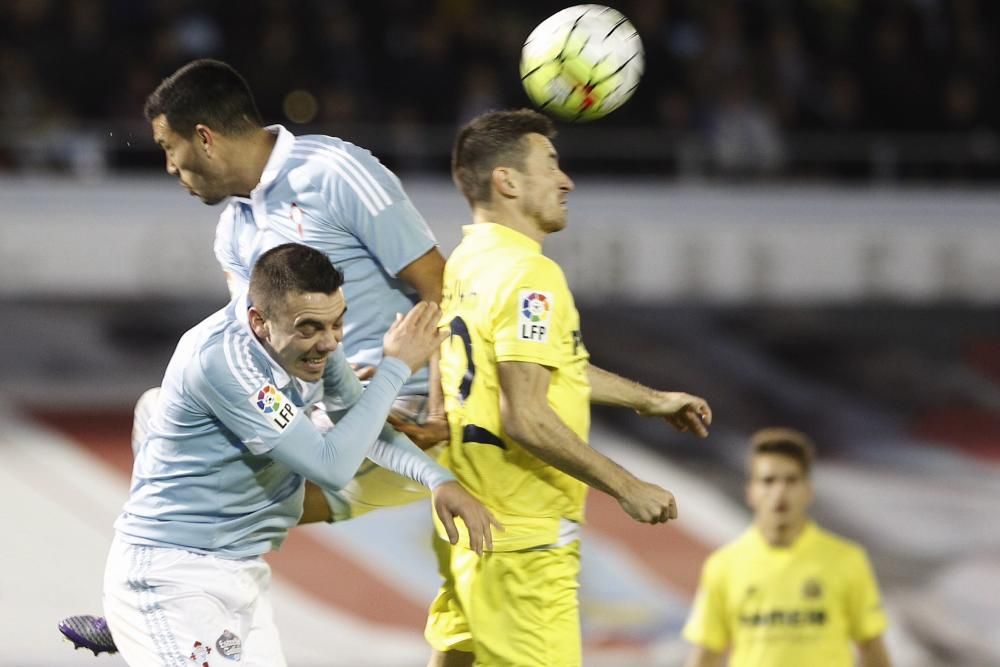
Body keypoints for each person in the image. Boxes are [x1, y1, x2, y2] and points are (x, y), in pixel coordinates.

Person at [60, 58, 452, 653]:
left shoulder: (334, 170)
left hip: (399, 401)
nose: (170, 167)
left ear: (206, 139)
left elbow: (441, 286)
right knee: (160, 413)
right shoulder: (233, 234)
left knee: (218, 472)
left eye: (170, 149)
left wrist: (439, 403)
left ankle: (149, 597)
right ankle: (152, 598)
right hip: (327, 406)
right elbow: (254, 360)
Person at [411, 109, 713, 667]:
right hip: (522, 540)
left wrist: (650, 400)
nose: (565, 180)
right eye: (550, 164)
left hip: (470, 525)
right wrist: (626, 486)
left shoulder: (467, 264)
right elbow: (524, 414)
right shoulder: (530, 277)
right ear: (507, 181)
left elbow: (547, 369)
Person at [102, 242, 496, 666]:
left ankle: (138, 632)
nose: (328, 344)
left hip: (239, 572)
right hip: (173, 578)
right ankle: (139, 621)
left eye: (337, 325)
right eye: (309, 328)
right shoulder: (225, 363)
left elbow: (363, 427)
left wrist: (438, 479)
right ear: (259, 322)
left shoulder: (306, 339)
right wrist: (397, 367)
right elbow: (331, 466)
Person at [682, 427, 892, 667]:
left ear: (808, 491)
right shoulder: (723, 565)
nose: (780, 492)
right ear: (751, 492)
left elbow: (872, 648)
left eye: (791, 480)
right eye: (768, 481)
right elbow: (706, 653)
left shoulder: (847, 559)